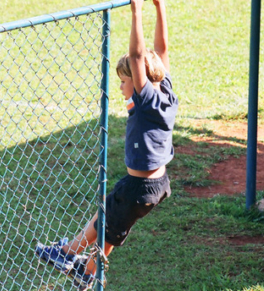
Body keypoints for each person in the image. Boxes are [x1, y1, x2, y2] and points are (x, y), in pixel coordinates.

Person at [35, 0, 178, 289]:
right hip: (155, 184)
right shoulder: (166, 91)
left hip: (140, 187)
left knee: (110, 223)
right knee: (110, 219)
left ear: (140, 81)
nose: (123, 86)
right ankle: (85, 267)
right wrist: (159, 6)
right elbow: (160, 50)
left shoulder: (147, 99)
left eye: (125, 81)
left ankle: (70, 255)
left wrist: (137, 11)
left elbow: (139, 56)